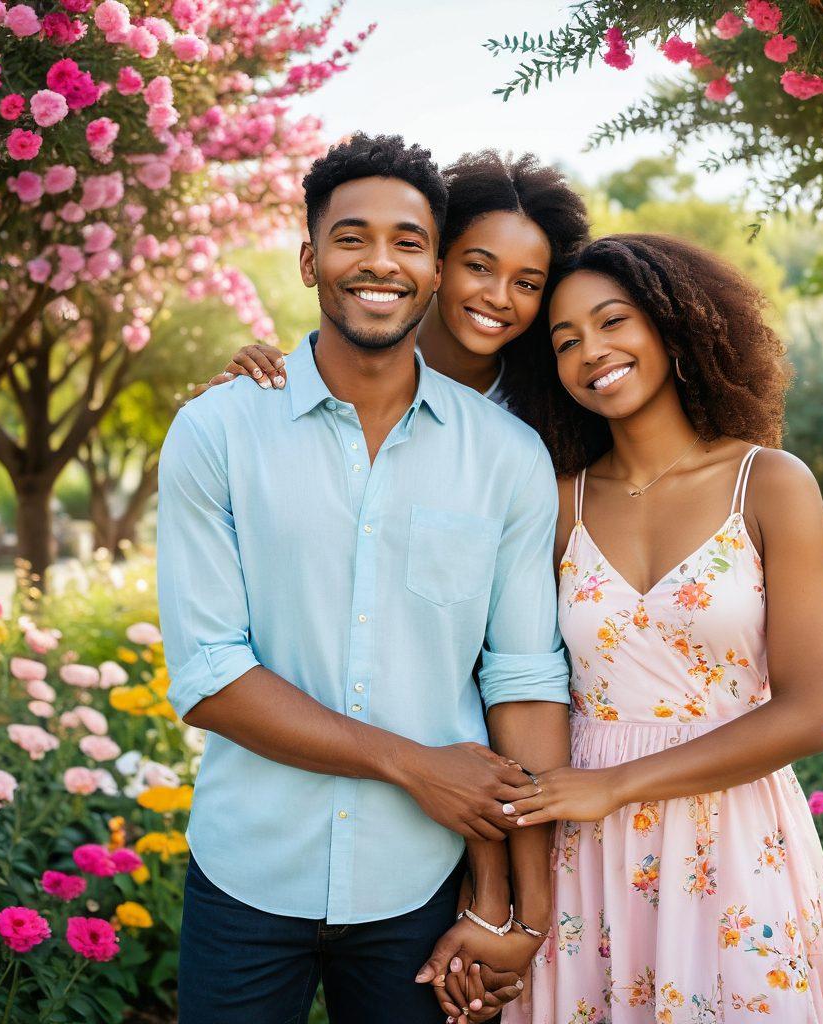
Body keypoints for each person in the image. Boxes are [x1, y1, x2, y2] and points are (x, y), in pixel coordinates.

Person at [156, 133, 573, 1024]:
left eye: (408, 242)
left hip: (421, 885)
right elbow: (208, 675)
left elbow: (525, 675)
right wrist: (414, 765)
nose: (378, 261)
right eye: (350, 238)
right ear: (310, 260)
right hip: (246, 872)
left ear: (429, 271)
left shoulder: (509, 453)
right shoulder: (219, 431)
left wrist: (520, 914)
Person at [484, 234, 823, 1023]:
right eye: (566, 340)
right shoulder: (556, 503)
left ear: (674, 322)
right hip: (587, 854)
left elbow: (806, 714)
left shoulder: (770, 484)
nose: (593, 351)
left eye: (614, 321)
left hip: (734, 841)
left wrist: (614, 786)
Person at [192, 149, 590, 412]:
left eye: (527, 284)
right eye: (479, 267)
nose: (498, 297)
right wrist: (242, 400)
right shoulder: (355, 350)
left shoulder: (539, 413)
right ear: (437, 264)